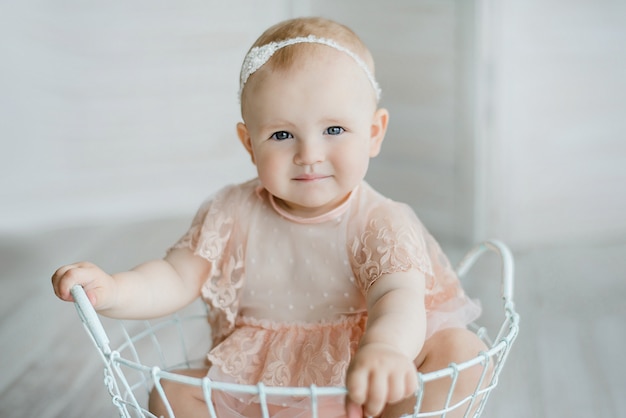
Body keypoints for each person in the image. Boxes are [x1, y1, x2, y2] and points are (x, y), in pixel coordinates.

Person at [52, 17, 489, 418]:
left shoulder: (379, 221)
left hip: (361, 388)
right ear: (249, 144)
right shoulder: (231, 211)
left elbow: (398, 297)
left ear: (373, 132)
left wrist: (385, 350)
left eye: (334, 129)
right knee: (170, 393)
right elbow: (173, 276)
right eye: (281, 134)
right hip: (258, 391)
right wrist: (112, 289)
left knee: (462, 354)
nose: (309, 154)